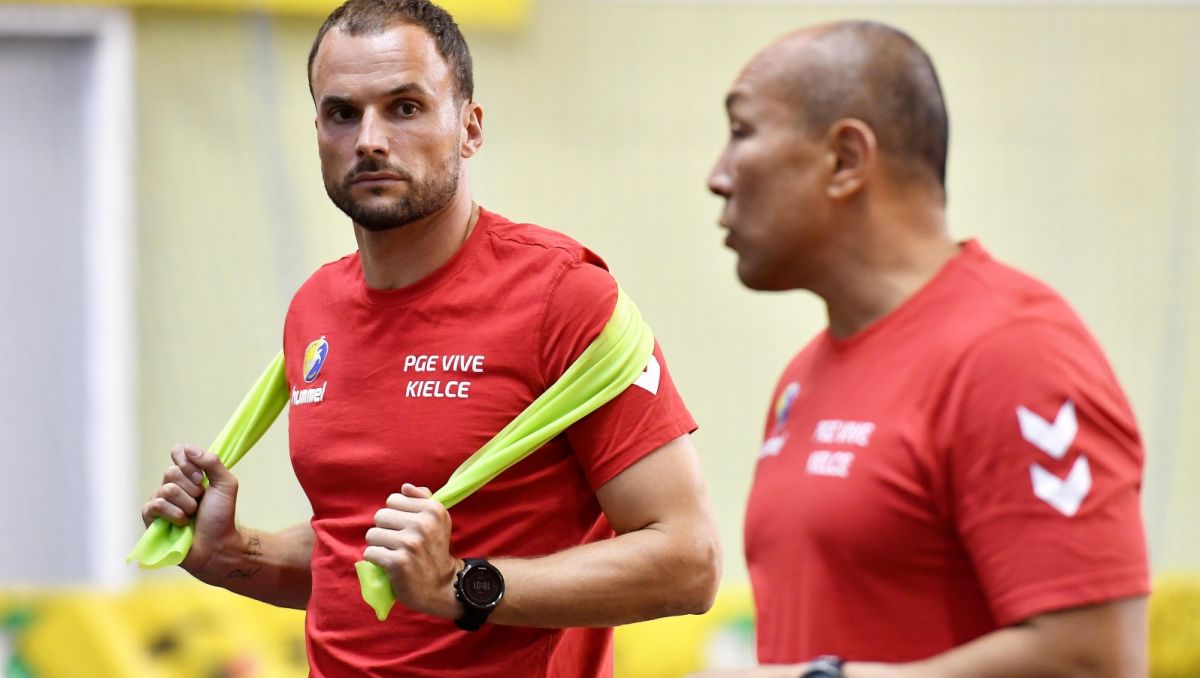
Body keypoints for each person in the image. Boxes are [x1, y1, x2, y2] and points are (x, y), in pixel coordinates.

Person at [141, 1, 721, 675]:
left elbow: (688, 560)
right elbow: (360, 564)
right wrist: (233, 555)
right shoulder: (315, 309)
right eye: (342, 113)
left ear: (469, 128)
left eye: (405, 107)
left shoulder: (564, 298)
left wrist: (461, 587)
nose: (369, 139)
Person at [696, 20, 1149, 678]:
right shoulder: (803, 379)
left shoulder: (1014, 354)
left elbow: (1095, 660)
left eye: (742, 132)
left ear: (847, 159)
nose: (718, 176)